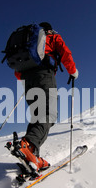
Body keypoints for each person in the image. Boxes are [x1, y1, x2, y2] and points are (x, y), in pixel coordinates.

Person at [10, 22, 78, 172]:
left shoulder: (27, 41)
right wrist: (73, 71)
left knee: (37, 116)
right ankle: (28, 145)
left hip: (27, 78)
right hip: (44, 75)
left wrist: (24, 80)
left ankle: (32, 156)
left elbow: (18, 67)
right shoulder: (52, 36)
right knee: (49, 114)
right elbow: (65, 53)